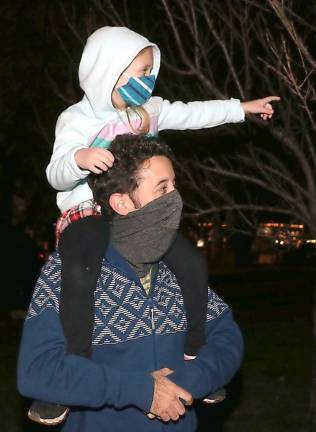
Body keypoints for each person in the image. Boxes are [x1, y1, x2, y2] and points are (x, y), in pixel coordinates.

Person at [31, 26, 278, 424]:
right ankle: (72, 372)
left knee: (191, 265)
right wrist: (78, 158)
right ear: (106, 72)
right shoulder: (77, 118)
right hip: (89, 213)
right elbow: (54, 174)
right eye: (137, 72)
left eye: (150, 71)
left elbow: (194, 113)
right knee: (79, 271)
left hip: (140, 218)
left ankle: (195, 356)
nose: (146, 81)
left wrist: (242, 108)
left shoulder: (148, 111)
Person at [18, 134, 244, 432]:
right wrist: (142, 391)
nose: (175, 198)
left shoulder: (176, 268)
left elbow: (226, 335)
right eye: (162, 188)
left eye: (174, 185)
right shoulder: (70, 270)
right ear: (122, 202)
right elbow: (38, 371)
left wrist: (187, 382)